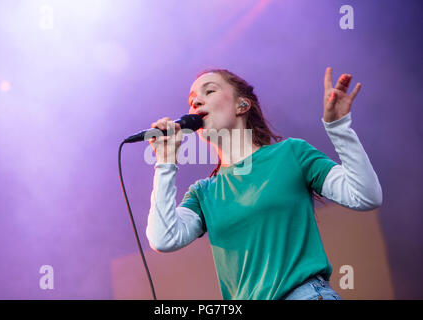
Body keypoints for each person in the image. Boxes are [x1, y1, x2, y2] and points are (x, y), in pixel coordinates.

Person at [145, 68, 383, 300]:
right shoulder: (203, 192)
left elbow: (364, 195)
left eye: (209, 91)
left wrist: (339, 128)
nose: (196, 102)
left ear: (242, 105)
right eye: (191, 100)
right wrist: (165, 163)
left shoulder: (291, 153)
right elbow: (163, 239)